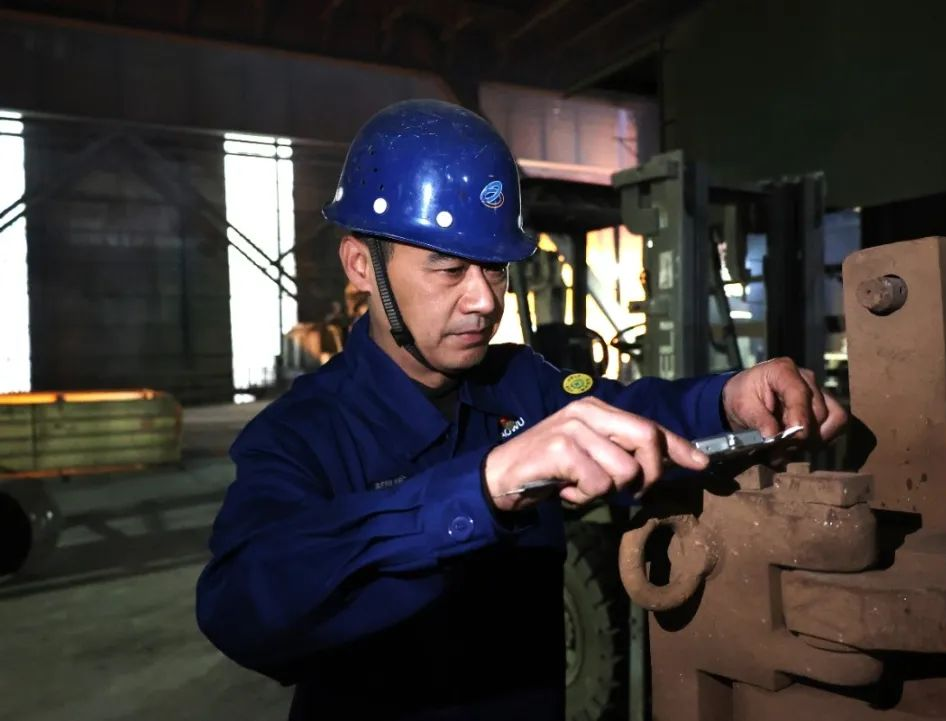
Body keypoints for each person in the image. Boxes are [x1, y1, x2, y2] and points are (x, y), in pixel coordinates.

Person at [195, 99, 846, 721]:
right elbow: (240, 608)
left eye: (497, 269)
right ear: (362, 265)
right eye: (449, 269)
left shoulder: (521, 382)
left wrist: (728, 400)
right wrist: (480, 489)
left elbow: (635, 410)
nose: (484, 300)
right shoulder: (298, 434)